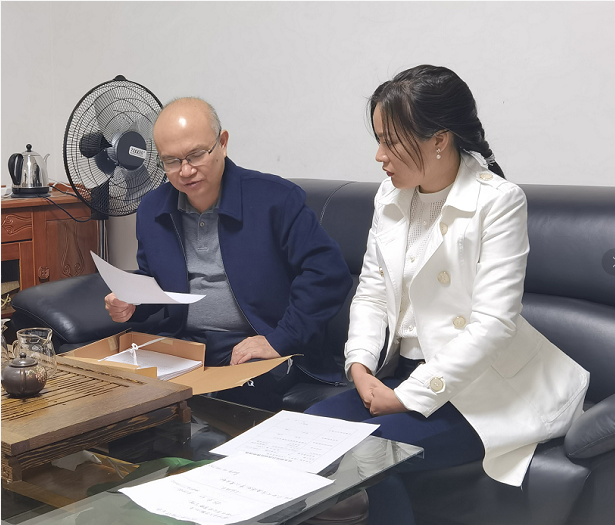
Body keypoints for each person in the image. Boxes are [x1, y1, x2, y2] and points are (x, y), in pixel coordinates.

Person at [306, 65, 589, 524]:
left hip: (477, 392)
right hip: (402, 374)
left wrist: (408, 397)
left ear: (439, 139)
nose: (379, 155)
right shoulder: (390, 196)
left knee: (370, 454)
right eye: (378, 139)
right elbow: (372, 292)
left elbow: (493, 325)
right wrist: (359, 365)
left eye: (390, 141)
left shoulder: (499, 202)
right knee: (307, 432)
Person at [105, 97, 352, 411]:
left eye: (196, 155)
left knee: (241, 397)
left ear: (222, 143)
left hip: (255, 341)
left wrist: (280, 339)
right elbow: (155, 280)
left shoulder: (274, 199)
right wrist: (131, 300)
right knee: (114, 389)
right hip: (185, 343)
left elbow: (328, 273)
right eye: (171, 161)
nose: (185, 171)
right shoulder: (153, 209)